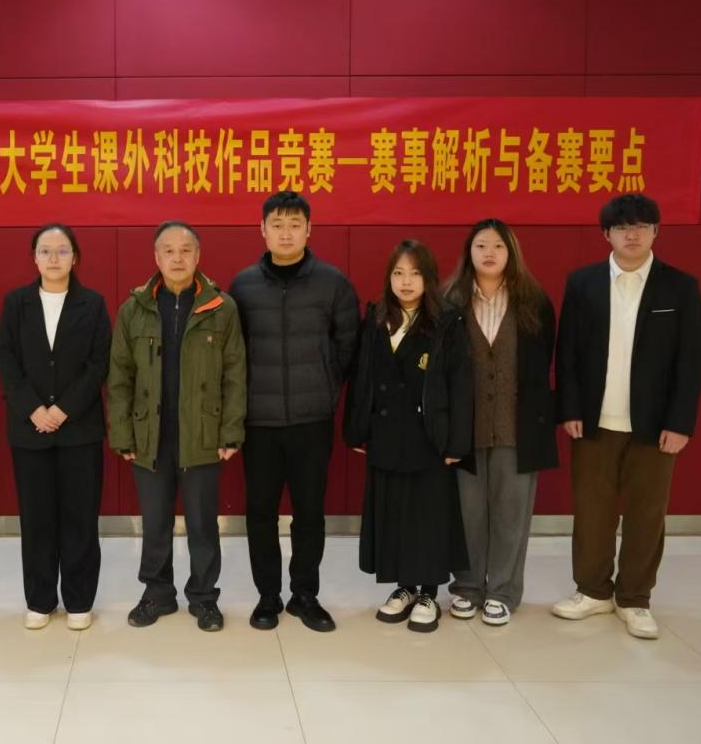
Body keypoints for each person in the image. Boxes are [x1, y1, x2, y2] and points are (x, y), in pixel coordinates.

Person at [552, 193, 701, 640]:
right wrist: (570, 408)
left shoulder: (680, 287)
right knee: (592, 511)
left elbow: (691, 360)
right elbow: (568, 352)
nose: (632, 234)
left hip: (655, 425)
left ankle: (635, 598)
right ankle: (593, 591)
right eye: (622, 227)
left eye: (641, 226)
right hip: (594, 421)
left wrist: (680, 422)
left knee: (646, 513)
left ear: (656, 231)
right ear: (607, 234)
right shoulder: (583, 283)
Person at [229, 191, 359, 632]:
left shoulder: (333, 283)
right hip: (259, 421)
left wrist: (324, 388)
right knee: (260, 513)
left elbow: (348, 346)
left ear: (309, 229)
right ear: (262, 230)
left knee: (309, 512)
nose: (286, 233)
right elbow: (233, 353)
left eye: (294, 225)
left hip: (311, 420)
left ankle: (305, 595)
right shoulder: (243, 285)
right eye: (277, 225)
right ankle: (267, 596)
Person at [107, 221, 246, 632]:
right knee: (155, 523)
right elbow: (120, 377)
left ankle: (204, 598)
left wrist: (231, 431)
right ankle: (157, 594)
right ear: (156, 257)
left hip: (202, 434)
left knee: (203, 523)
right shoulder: (134, 309)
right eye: (168, 250)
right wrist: (122, 434)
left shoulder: (221, 307)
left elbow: (235, 374)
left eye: (185, 250)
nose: (177, 257)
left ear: (198, 256)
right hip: (150, 435)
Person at [345, 240, 472, 634]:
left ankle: (429, 592)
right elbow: (362, 377)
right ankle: (403, 587)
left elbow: (460, 385)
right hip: (386, 433)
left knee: (427, 515)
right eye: (398, 273)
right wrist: (357, 429)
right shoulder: (376, 318)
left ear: (429, 278)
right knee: (393, 512)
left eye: (415, 273)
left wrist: (457, 442)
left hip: (429, 436)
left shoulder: (447, 321)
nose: (405, 281)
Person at [0, 224, 111, 631]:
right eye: (46, 250)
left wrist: (63, 410)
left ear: (75, 257)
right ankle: (40, 599)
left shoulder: (93, 304)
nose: (54, 258)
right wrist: (33, 409)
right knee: (37, 519)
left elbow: (99, 363)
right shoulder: (16, 303)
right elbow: (5, 358)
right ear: (35, 257)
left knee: (81, 518)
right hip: (30, 430)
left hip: (79, 430)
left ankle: (79, 599)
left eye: (63, 250)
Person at [442, 219, 557, 626]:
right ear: (468, 253)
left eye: (498, 246)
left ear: (511, 253)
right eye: (481, 246)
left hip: (517, 428)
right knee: (467, 514)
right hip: (464, 430)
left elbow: (542, 365)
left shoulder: (534, 302)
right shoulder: (450, 301)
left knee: (511, 514)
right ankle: (467, 587)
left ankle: (504, 591)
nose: (489, 253)